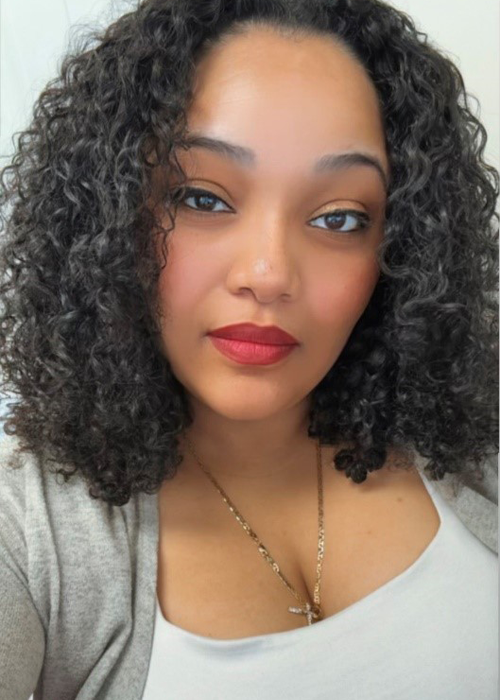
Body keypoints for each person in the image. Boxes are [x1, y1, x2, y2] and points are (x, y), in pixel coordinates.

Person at [0, 0, 497, 698]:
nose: (268, 274)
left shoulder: (472, 444)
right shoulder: (29, 533)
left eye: (339, 217)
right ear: (110, 216)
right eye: (203, 199)